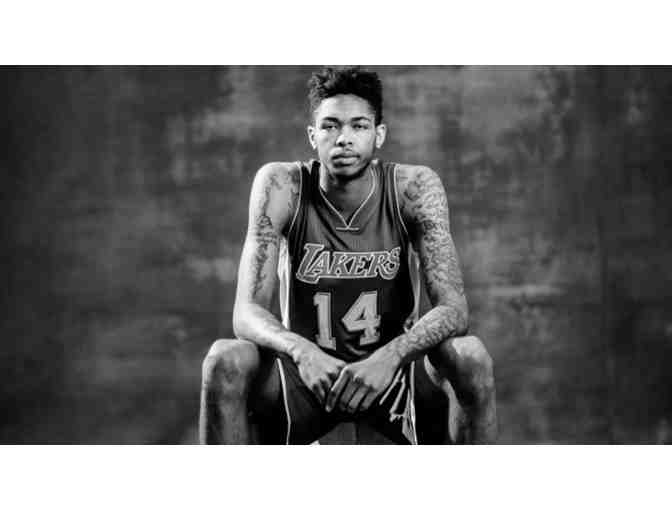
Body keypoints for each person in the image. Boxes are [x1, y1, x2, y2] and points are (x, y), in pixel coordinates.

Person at [199, 67, 497, 444]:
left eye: (359, 126)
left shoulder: (413, 188)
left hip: (392, 375)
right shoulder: (282, 186)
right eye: (330, 126)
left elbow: (454, 309)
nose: (344, 138)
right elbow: (245, 313)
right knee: (224, 358)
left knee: (471, 355)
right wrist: (302, 352)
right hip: (308, 376)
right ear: (312, 136)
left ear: (379, 134)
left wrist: (389, 357)